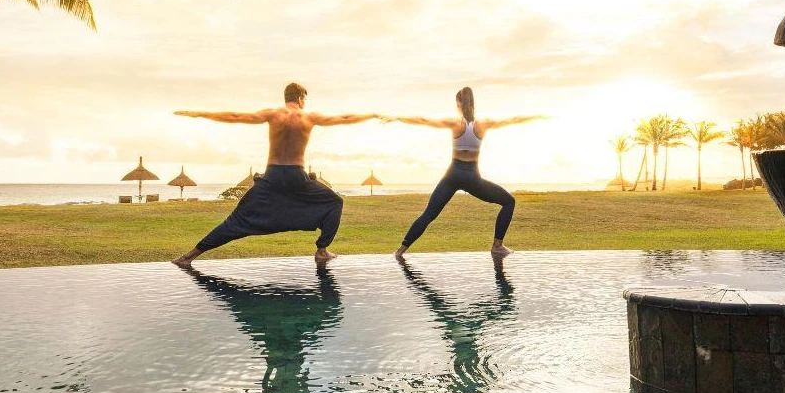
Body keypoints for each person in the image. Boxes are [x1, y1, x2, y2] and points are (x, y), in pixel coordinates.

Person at [171, 83, 379, 268]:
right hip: (296, 176)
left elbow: (235, 117)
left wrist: (199, 113)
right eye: (304, 99)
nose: (304, 103)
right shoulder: (309, 117)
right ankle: (322, 250)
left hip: (272, 175)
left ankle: (189, 256)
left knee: (238, 219)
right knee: (335, 202)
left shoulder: (272, 114)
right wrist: (371, 115)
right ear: (300, 98)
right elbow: (344, 118)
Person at [388, 87, 544, 263]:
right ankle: (497, 246)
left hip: (452, 176)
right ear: (473, 103)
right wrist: (538, 116)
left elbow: (424, 120)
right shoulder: (483, 124)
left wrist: (396, 118)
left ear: (459, 103)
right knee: (509, 201)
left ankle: (400, 250)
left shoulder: (454, 124)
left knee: (429, 214)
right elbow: (513, 119)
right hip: (472, 178)